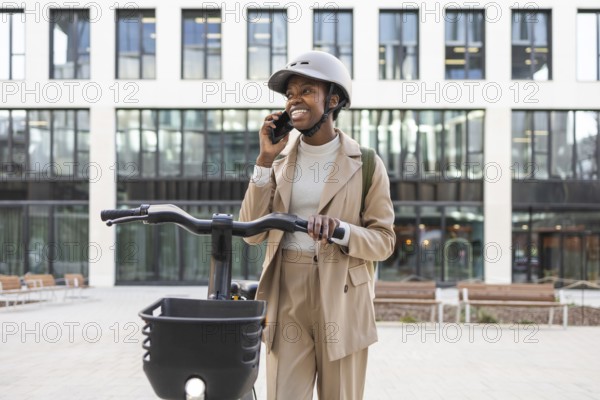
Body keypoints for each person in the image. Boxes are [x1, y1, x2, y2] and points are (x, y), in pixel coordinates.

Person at [239, 50, 395, 400]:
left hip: (342, 293)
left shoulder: (367, 163)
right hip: (286, 292)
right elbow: (251, 231)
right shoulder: (277, 161)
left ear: (334, 100)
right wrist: (264, 160)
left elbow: (384, 241)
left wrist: (341, 230)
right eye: (290, 94)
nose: (295, 100)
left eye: (307, 91)